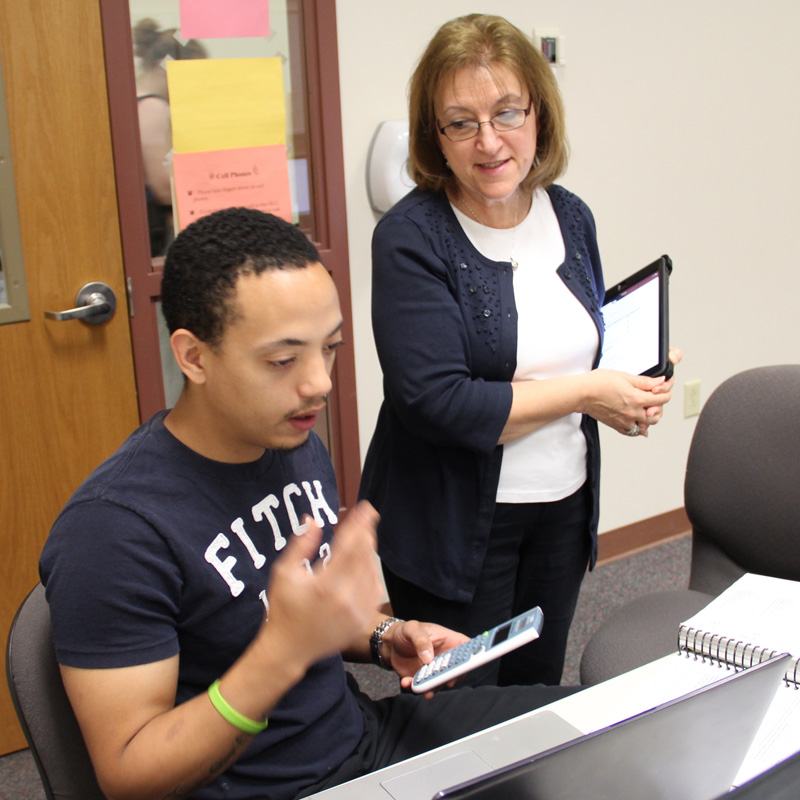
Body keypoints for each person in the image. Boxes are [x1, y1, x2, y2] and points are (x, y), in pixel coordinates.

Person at [39, 207, 578, 800]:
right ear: (193, 358)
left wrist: (383, 635)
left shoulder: (292, 440)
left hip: (362, 740)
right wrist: (283, 653)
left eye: (330, 348)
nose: (319, 382)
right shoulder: (112, 531)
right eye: (282, 360)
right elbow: (128, 773)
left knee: (592, 733)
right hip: (272, 789)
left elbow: (300, 612)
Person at [359, 13, 681, 688]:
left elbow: (574, 350)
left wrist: (623, 387)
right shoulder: (411, 238)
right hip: (452, 530)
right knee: (458, 714)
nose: (489, 141)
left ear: (539, 113)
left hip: (562, 511)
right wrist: (591, 392)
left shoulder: (570, 214)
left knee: (536, 695)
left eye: (507, 112)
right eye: (460, 122)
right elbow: (436, 403)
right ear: (433, 136)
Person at [133, 18, 206, 256]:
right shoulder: (153, 107)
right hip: (157, 230)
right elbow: (164, 186)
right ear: (164, 64)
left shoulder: (140, 102)